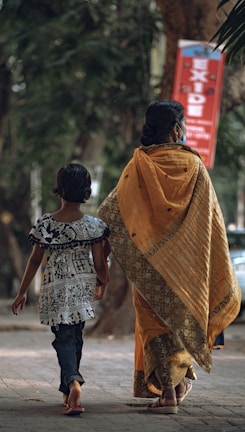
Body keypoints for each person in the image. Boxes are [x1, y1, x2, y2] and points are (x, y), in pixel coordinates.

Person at [97, 100, 241, 414]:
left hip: (150, 267)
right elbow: (211, 222)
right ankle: (177, 388)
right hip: (187, 270)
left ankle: (170, 394)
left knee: (155, 328)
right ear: (176, 129)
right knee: (181, 324)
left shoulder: (139, 164)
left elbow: (109, 213)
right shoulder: (195, 166)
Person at [12, 163, 109, 416]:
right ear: (86, 191)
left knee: (64, 338)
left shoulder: (46, 224)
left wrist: (22, 291)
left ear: (60, 190)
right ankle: (69, 388)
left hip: (56, 288)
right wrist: (103, 282)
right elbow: (100, 264)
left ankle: (72, 385)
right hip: (81, 288)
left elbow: (34, 260)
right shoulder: (93, 226)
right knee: (74, 337)